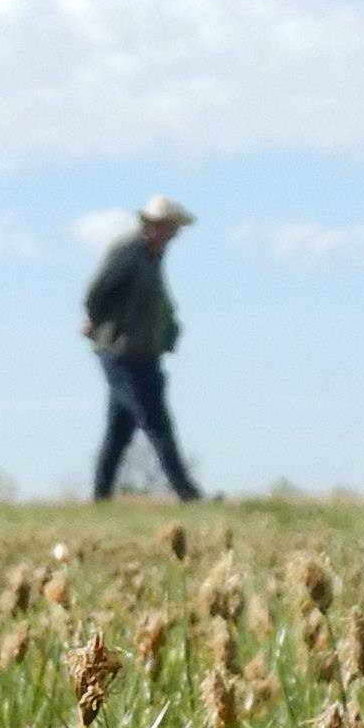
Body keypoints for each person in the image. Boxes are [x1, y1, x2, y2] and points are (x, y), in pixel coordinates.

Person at [83, 197, 201, 501]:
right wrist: (99, 323)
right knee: (157, 422)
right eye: (169, 227)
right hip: (123, 353)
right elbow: (97, 292)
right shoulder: (130, 251)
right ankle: (186, 492)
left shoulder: (152, 256)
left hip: (143, 353)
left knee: (119, 431)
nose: (173, 234)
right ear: (152, 225)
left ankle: (101, 497)